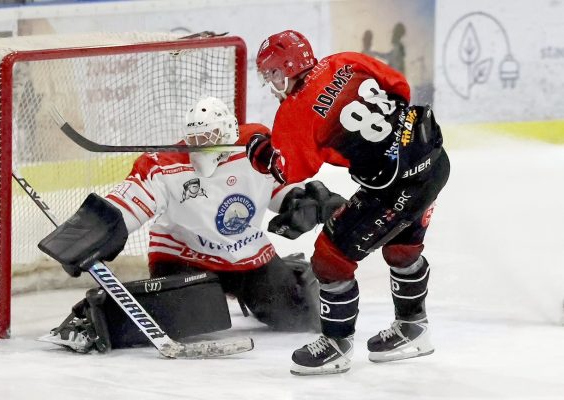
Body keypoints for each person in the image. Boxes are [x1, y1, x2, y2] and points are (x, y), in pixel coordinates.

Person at [37, 97, 345, 353]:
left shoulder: (256, 149)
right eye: (194, 138)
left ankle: (289, 272)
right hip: (184, 258)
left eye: (207, 139)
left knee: (299, 315)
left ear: (226, 134)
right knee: (193, 314)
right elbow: (124, 206)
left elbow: (277, 189)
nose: (198, 146)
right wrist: (91, 233)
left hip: (248, 258)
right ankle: (90, 320)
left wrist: (300, 201)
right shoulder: (164, 165)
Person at [246, 30, 450, 375]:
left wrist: (261, 152)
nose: (273, 82)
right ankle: (414, 329)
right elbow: (399, 86)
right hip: (432, 160)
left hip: (394, 189)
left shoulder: (294, 113)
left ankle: (336, 345)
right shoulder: (344, 62)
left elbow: (290, 171)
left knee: (329, 259)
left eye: (274, 73)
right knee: (402, 249)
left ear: (288, 67)